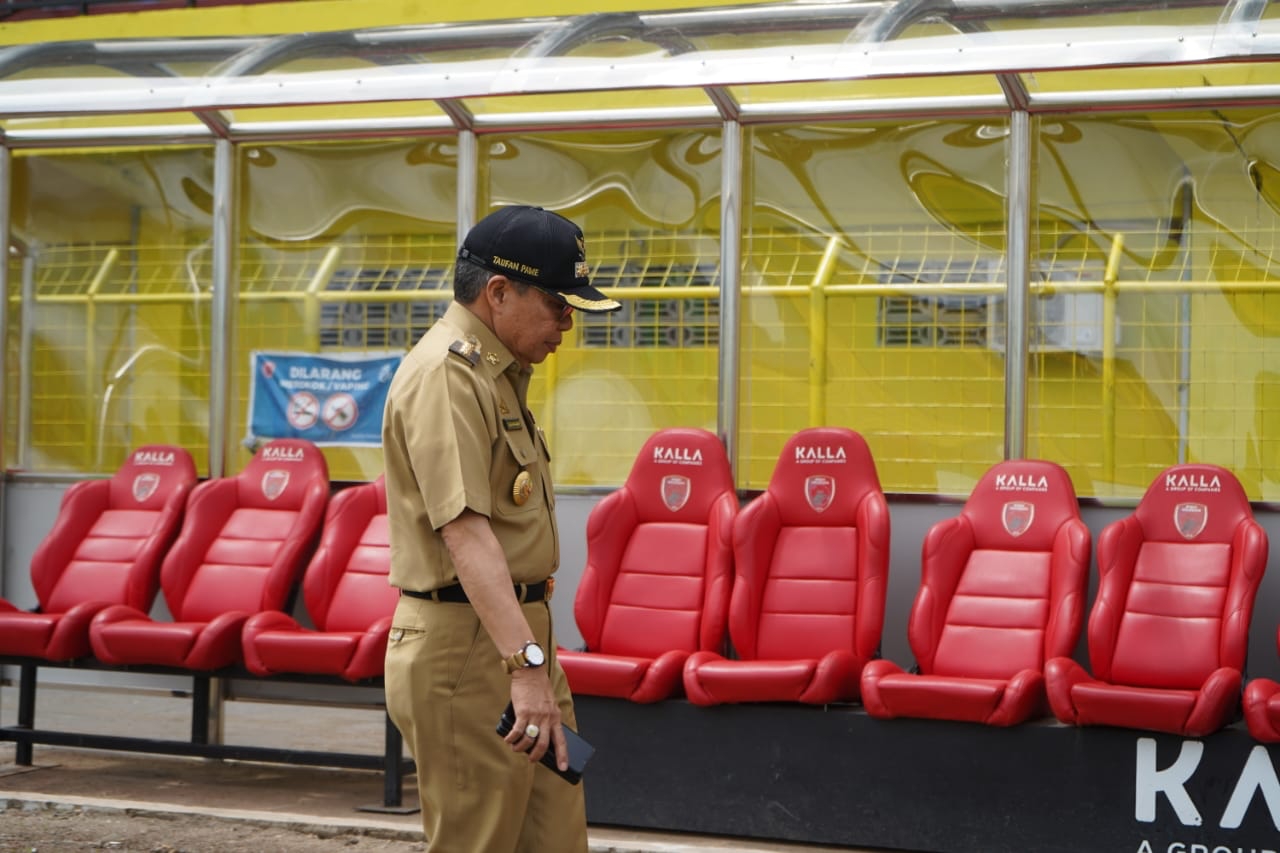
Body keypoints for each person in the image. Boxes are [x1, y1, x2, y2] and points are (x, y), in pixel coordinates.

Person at [381, 205, 621, 852]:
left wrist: (533, 661)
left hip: (518, 643)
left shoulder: (497, 374)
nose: (567, 324)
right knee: (480, 840)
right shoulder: (446, 377)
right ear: (498, 292)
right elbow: (465, 534)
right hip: (472, 654)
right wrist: (524, 667)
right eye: (558, 305)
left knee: (554, 835)